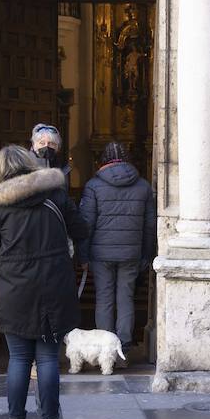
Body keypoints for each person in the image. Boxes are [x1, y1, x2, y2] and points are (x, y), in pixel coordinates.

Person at [0, 144, 89, 419]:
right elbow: (81, 227)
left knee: (18, 358)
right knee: (47, 358)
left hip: (14, 288)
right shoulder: (55, 195)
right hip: (53, 284)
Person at [79, 141, 157, 350]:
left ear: (103, 160)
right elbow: (150, 226)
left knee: (104, 299)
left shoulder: (93, 186)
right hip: (131, 252)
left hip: (100, 253)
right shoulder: (143, 186)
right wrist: (147, 255)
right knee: (126, 298)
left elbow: (86, 224)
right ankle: (122, 347)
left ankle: (105, 348)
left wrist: (83, 256)